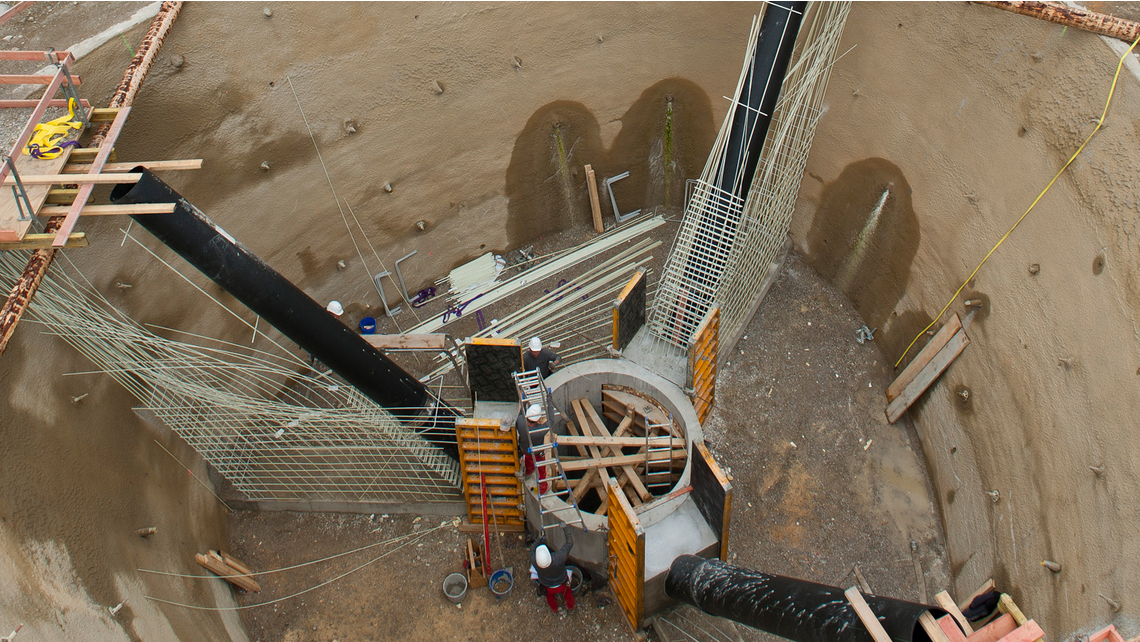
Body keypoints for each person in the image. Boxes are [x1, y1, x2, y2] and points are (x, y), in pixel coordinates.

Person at [530, 541, 575, 613]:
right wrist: (565, 529)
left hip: (547, 588)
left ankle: (554, 609)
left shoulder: (534, 562)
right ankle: (570, 606)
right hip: (563, 585)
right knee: (568, 594)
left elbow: (532, 551)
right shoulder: (559, 559)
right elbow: (570, 542)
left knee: (550, 599)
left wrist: (538, 539)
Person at [516, 404, 550, 493]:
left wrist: (522, 402)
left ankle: (528, 473)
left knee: (528, 462)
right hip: (537, 452)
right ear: (538, 419)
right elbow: (551, 421)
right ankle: (543, 489)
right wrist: (549, 403)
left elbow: (520, 413)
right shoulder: (540, 430)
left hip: (525, 450)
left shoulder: (520, 421)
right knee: (541, 471)